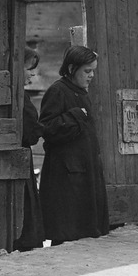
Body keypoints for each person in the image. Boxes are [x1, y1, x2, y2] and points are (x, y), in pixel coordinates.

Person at [39, 46, 109, 244]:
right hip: (66, 175)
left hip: (83, 171)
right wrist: (76, 115)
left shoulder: (81, 92)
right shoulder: (58, 91)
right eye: (87, 71)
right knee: (67, 232)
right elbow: (47, 128)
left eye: (93, 71)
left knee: (85, 234)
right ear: (71, 68)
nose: (91, 76)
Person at [13, 47, 46, 252]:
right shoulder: (20, 96)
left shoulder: (19, 93)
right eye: (28, 69)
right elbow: (31, 132)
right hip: (21, 156)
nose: (31, 74)